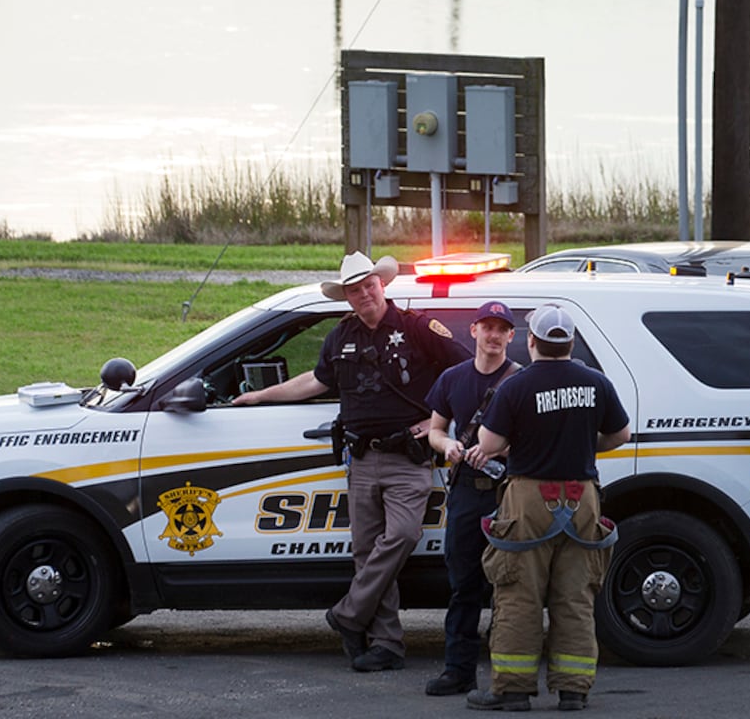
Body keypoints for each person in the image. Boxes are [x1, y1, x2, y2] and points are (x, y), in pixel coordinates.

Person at [232, 252, 469, 672]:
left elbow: (464, 371)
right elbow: (316, 380)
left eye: (369, 286)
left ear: (383, 285)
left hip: (407, 458)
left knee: (401, 536)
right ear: (346, 296)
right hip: (360, 458)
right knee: (367, 551)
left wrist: (434, 421)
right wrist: (260, 395)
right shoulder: (341, 336)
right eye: (354, 291)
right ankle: (386, 644)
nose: (364, 295)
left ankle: (347, 614)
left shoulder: (417, 328)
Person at [466, 304, 631, 713]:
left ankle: (513, 691)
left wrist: (521, 442)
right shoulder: (595, 383)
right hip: (582, 501)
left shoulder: (517, 386)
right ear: (571, 343)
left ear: (531, 341)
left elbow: (487, 444)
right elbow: (620, 434)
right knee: (574, 596)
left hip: (528, 501)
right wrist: (579, 444)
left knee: (519, 595)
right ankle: (573, 691)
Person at [422, 300, 522, 698]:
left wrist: (499, 450)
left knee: (510, 588)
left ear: (511, 337)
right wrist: (446, 445)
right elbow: (434, 429)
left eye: (502, 329)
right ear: (474, 331)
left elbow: (533, 438)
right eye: (488, 327)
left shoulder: (521, 381)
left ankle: (507, 676)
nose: (494, 335)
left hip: (509, 495)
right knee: (463, 585)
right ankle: (458, 670)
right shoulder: (452, 379)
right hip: (465, 495)